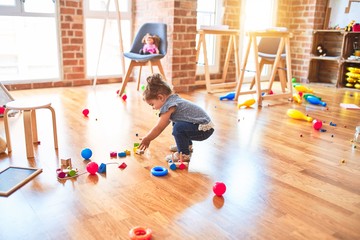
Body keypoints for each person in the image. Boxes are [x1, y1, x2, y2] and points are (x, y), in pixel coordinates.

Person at [139, 73, 214, 162]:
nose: (153, 107)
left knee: (178, 127)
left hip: (203, 130)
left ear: (160, 97)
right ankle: (186, 146)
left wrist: (148, 138)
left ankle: (184, 154)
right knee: (177, 122)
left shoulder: (169, 106)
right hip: (203, 126)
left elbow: (159, 127)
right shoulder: (173, 100)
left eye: (152, 104)